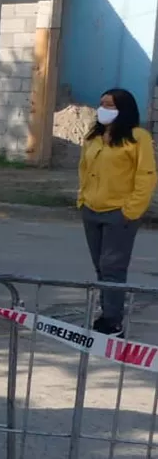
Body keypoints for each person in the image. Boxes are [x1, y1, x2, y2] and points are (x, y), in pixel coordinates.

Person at [78, 88, 156, 337]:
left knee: (113, 267)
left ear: (123, 109)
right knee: (100, 267)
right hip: (91, 210)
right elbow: (84, 169)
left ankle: (113, 321)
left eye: (110, 105)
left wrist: (131, 210)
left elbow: (146, 176)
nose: (103, 109)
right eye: (101, 104)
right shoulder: (94, 137)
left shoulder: (138, 137)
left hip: (119, 213)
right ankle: (106, 313)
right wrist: (82, 198)